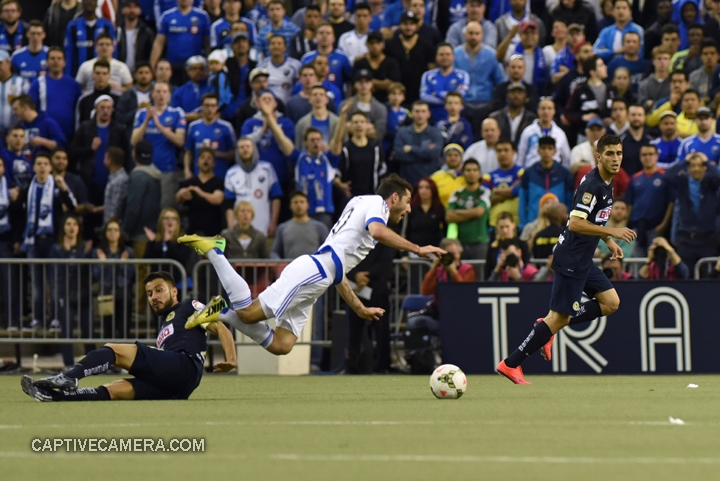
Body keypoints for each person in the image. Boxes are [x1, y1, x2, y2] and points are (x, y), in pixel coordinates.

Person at [182, 173, 446, 359]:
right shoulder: (377, 205)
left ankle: (221, 312)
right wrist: (418, 248)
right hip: (313, 271)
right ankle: (216, 254)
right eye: (408, 201)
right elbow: (377, 231)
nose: (409, 208)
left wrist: (360, 307)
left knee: (282, 345)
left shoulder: (360, 203)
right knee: (248, 314)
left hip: (321, 274)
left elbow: (338, 272)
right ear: (395, 197)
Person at [497, 134, 638, 384]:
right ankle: (511, 363)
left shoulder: (607, 181)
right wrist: (612, 231)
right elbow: (575, 223)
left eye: (619, 153)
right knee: (557, 318)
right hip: (572, 258)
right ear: (599, 156)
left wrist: (608, 240)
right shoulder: (593, 184)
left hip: (583, 258)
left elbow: (595, 217)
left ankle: (549, 326)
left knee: (610, 302)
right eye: (610, 154)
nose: (615, 159)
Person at [22, 271, 236, 402]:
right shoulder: (163, 324)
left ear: (174, 292)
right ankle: (53, 395)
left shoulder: (189, 305)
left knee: (114, 349)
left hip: (185, 366)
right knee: (115, 390)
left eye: (160, 290)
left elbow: (220, 327)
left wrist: (232, 359)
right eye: (150, 293)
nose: (154, 297)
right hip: (178, 386)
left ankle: (69, 377)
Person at [19, 152, 77, 332]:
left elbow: (73, 207)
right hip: (33, 241)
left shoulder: (56, 188)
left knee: (54, 283)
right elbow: (18, 212)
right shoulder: (28, 188)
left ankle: (55, 319)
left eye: (45, 163)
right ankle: (37, 319)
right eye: (39, 163)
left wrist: (64, 187)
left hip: (53, 241)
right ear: (34, 167)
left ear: (50, 167)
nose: (42, 167)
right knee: (37, 284)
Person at [131, 81, 187, 209]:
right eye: (158, 92)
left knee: (166, 207)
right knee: (146, 207)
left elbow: (180, 141)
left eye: (164, 92)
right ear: (152, 94)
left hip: (167, 168)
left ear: (169, 95)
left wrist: (159, 125)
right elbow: (134, 141)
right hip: (146, 168)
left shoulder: (177, 113)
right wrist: (146, 121)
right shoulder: (142, 114)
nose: (161, 95)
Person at [48, 213, 93, 368]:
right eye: (68, 224)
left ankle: (91, 364)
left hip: (84, 293)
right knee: (66, 331)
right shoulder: (56, 248)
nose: (72, 227)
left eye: (74, 224)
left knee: (88, 330)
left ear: (79, 228)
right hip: (65, 293)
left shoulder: (85, 247)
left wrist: (88, 256)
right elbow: (56, 273)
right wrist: (66, 253)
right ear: (63, 228)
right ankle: (68, 365)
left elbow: (89, 272)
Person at [666, 152, 720, 277]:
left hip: (707, 239)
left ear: (704, 168)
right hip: (686, 239)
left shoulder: (711, 183)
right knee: (684, 276)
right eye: (692, 166)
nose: (696, 169)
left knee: (708, 277)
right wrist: (685, 161)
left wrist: (706, 161)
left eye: (699, 165)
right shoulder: (682, 182)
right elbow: (668, 176)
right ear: (688, 168)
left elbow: (718, 176)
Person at [223, 137, 282, 236]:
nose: (245, 149)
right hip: (239, 227)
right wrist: (230, 225)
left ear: (254, 149)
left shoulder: (267, 169)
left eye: (248, 146)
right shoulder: (231, 173)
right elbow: (229, 203)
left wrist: (273, 223)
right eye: (241, 147)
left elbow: (276, 198)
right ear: (237, 151)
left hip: (264, 226)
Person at [518, 136, 573, 230]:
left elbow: (569, 201)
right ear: (538, 151)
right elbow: (522, 201)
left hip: (559, 224)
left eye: (550, 148)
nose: (546, 152)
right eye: (543, 148)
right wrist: (523, 224)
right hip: (534, 223)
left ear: (555, 151)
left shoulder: (565, 174)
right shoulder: (529, 173)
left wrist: (566, 222)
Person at [27, 47, 82, 142]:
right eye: (52, 58)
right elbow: (31, 108)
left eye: (59, 59)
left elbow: (78, 109)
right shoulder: (38, 83)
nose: (56, 62)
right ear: (47, 62)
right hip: (44, 136)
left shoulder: (73, 85)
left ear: (65, 62)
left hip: (68, 135)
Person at [150, 0, 210, 85]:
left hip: (194, 67)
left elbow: (207, 43)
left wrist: (208, 64)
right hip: (173, 66)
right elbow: (159, 42)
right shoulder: (167, 16)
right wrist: (153, 64)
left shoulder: (202, 16)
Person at [385, 11, 435, 105]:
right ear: (400, 25)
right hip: (398, 93)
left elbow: (431, 68)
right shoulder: (391, 44)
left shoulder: (426, 44)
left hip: (419, 91)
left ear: (416, 26)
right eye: (405, 24)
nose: (408, 27)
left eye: (412, 24)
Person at [122, 140, 161, 260]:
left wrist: (125, 230)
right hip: (152, 231)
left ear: (134, 154)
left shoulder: (138, 176)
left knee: (143, 274)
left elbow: (133, 207)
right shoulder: (155, 174)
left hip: (140, 234)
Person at [446, 158, 491, 260]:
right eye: (468, 170)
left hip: (479, 242)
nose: (471, 173)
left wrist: (458, 212)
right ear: (463, 173)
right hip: (459, 244)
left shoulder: (485, 192)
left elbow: (479, 212)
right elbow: (449, 216)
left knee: (478, 275)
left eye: (475, 170)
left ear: (480, 174)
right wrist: (471, 213)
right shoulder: (456, 193)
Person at [183, 93, 236, 179]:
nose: (210, 109)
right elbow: (188, 152)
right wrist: (187, 170)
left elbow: (234, 152)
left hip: (220, 175)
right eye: (207, 105)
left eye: (213, 106)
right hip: (199, 176)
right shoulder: (193, 126)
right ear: (202, 106)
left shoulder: (226, 127)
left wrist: (217, 154)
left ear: (217, 107)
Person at [392, 100, 444, 188]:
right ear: (411, 113)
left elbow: (434, 154)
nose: (420, 115)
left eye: (423, 111)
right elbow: (398, 155)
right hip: (407, 182)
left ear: (429, 114)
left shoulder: (436, 133)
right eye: (417, 111)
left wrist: (411, 149)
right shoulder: (402, 132)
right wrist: (425, 155)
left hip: (430, 181)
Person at [337, 110, 387, 197]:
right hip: (351, 197)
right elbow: (337, 173)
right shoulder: (345, 149)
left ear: (368, 125)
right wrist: (341, 185)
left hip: (372, 196)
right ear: (350, 126)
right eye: (355, 122)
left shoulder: (375, 148)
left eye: (362, 122)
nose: (359, 125)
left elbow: (382, 171)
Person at [176, 147, 224, 236]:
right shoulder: (190, 182)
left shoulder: (219, 182)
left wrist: (200, 192)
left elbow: (217, 199)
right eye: (202, 158)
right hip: (192, 232)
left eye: (209, 158)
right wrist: (182, 195)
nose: (205, 160)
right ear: (197, 163)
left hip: (213, 232)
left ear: (214, 163)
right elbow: (178, 198)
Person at [144, 207, 199, 283]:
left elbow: (181, 258)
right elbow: (148, 259)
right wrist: (152, 243)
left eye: (174, 218)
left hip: (178, 282)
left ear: (177, 222)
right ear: (161, 221)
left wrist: (168, 242)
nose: (170, 221)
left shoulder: (183, 240)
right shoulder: (156, 240)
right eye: (166, 218)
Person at [271, 190, 329, 260]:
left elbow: (327, 250)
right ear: (290, 206)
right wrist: (280, 265)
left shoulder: (320, 227)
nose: (299, 205)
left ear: (308, 205)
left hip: (314, 268)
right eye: (295, 202)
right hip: (291, 268)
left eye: (302, 202)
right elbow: (274, 252)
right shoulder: (282, 228)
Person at [63, 0, 116, 78]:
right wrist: (68, 76)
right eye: (86, 0)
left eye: (92, 0)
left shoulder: (106, 26)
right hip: (79, 75)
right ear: (82, 4)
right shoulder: (73, 26)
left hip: (102, 76)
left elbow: (113, 51)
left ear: (97, 4)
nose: (89, 3)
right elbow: (69, 54)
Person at [419, 43, 470, 122]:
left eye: (448, 54)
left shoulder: (463, 75)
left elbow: (462, 94)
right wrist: (452, 101)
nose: (445, 57)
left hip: (458, 120)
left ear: (453, 57)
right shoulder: (427, 75)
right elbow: (424, 96)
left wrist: (437, 93)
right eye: (441, 54)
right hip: (433, 119)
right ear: (436, 57)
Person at [517, 98, 571, 169]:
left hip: (554, 172)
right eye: (543, 108)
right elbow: (521, 156)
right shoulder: (528, 131)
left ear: (554, 111)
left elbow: (566, 159)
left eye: (549, 108)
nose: (546, 112)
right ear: (538, 110)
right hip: (532, 171)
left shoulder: (560, 134)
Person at [0, 156, 21, 331]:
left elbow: (17, 216)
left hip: (5, 240)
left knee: (9, 282)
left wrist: (16, 239)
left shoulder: (12, 188)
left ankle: (12, 321)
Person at [352, 30, 401, 105]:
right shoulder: (360, 63)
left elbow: (392, 85)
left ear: (383, 45)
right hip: (363, 101)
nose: (375, 46)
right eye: (372, 43)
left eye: (378, 43)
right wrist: (381, 83)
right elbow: (355, 84)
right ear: (367, 45)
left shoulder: (391, 63)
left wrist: (370, 82)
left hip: (386, 102)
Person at [485, 138, 523, 226]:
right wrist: (510, 190)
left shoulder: (522, 172)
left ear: (514, 152)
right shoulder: (488, 176)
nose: (502, 154)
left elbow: (518, 191)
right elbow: (486, 197)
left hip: (516, 224)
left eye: (506, 150)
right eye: (499, 151)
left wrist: (495, 191)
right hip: (494, 224)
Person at [403, 177, 446, 253]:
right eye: (420, 187)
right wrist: (404, 254)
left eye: (427, 187)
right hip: (414, 251)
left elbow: (445, 230)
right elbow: (405, 231)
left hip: (435, 251)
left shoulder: (439, 208)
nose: (423, 190)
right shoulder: (410, 209)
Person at [75, 60, 121, 128]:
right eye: (98, 73)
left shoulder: (119, 99)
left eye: (104, 73)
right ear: (93, 75)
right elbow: (79, 125)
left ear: (109, 76)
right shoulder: (84, 100)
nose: (101, 76)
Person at [257, 35, 301, 104]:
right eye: (273, 44)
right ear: (269, 47)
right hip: (267, 105)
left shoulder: (295, 65)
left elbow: (299, 87)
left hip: (288, 106)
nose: (276, 46)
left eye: (279, 44)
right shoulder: (261, 66)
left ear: (285, 47)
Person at [485, 211, 530, 277]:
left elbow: (527, 266)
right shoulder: (493, 247)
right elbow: (487, 271)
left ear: (513, 225)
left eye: (507, 226)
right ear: (497, 227)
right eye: (501, 227)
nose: (504, 230)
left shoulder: (522, 245)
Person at [116, 0, 155, 74]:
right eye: (129, 7)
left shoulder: (147, 32)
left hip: (140, 72)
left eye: (135, 7)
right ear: (123, 10)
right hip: (120, 71)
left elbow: (150, 54)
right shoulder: (117, 31)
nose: (132, 10)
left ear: (139, 10)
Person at [10, 20, 47, 84]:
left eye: (39, 34)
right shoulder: (16, 56)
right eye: (33, 33)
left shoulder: (50, 54)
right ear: (27, 34)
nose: (35, 37)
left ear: (44, 35)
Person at [638, 46, 671, 111]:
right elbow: (641, 104)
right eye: (659, 59)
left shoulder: (674, 82)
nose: (662, 62)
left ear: (670, 61)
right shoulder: (644, 84)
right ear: (653, 61)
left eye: (665, 59)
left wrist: (653, 103)